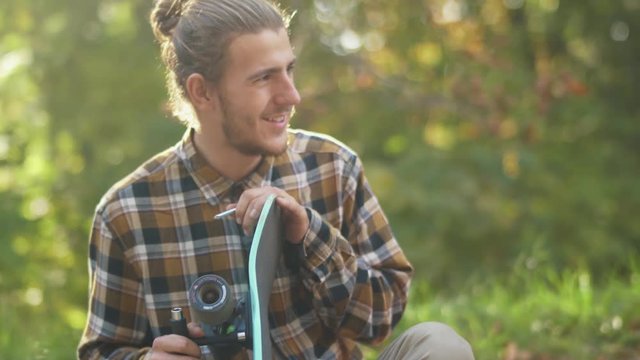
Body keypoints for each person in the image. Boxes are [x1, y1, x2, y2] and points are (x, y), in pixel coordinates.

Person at [77, 0, 475, 359]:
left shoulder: (332, 167)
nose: (291, 95)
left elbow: (382, 321)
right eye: (263, 78)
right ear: (202, 91)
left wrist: (310, 237)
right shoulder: (126, 213)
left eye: (289, 69)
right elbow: (102, 350)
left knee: (439, 346)